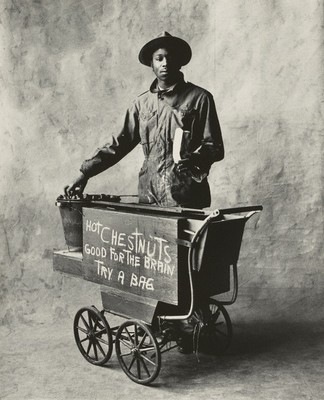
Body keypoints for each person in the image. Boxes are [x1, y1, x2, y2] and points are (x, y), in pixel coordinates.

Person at [64, 31, 224, 209]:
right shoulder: (141, 104)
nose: (165, 63)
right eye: (159, 58)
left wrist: (194, 160)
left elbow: (215, 147)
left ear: (179, 62)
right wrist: (85, 173)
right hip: (149, 197)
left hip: (186, 196)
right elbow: (118, 144)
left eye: (170, 58)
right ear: (151, 64)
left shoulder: (200, 98)